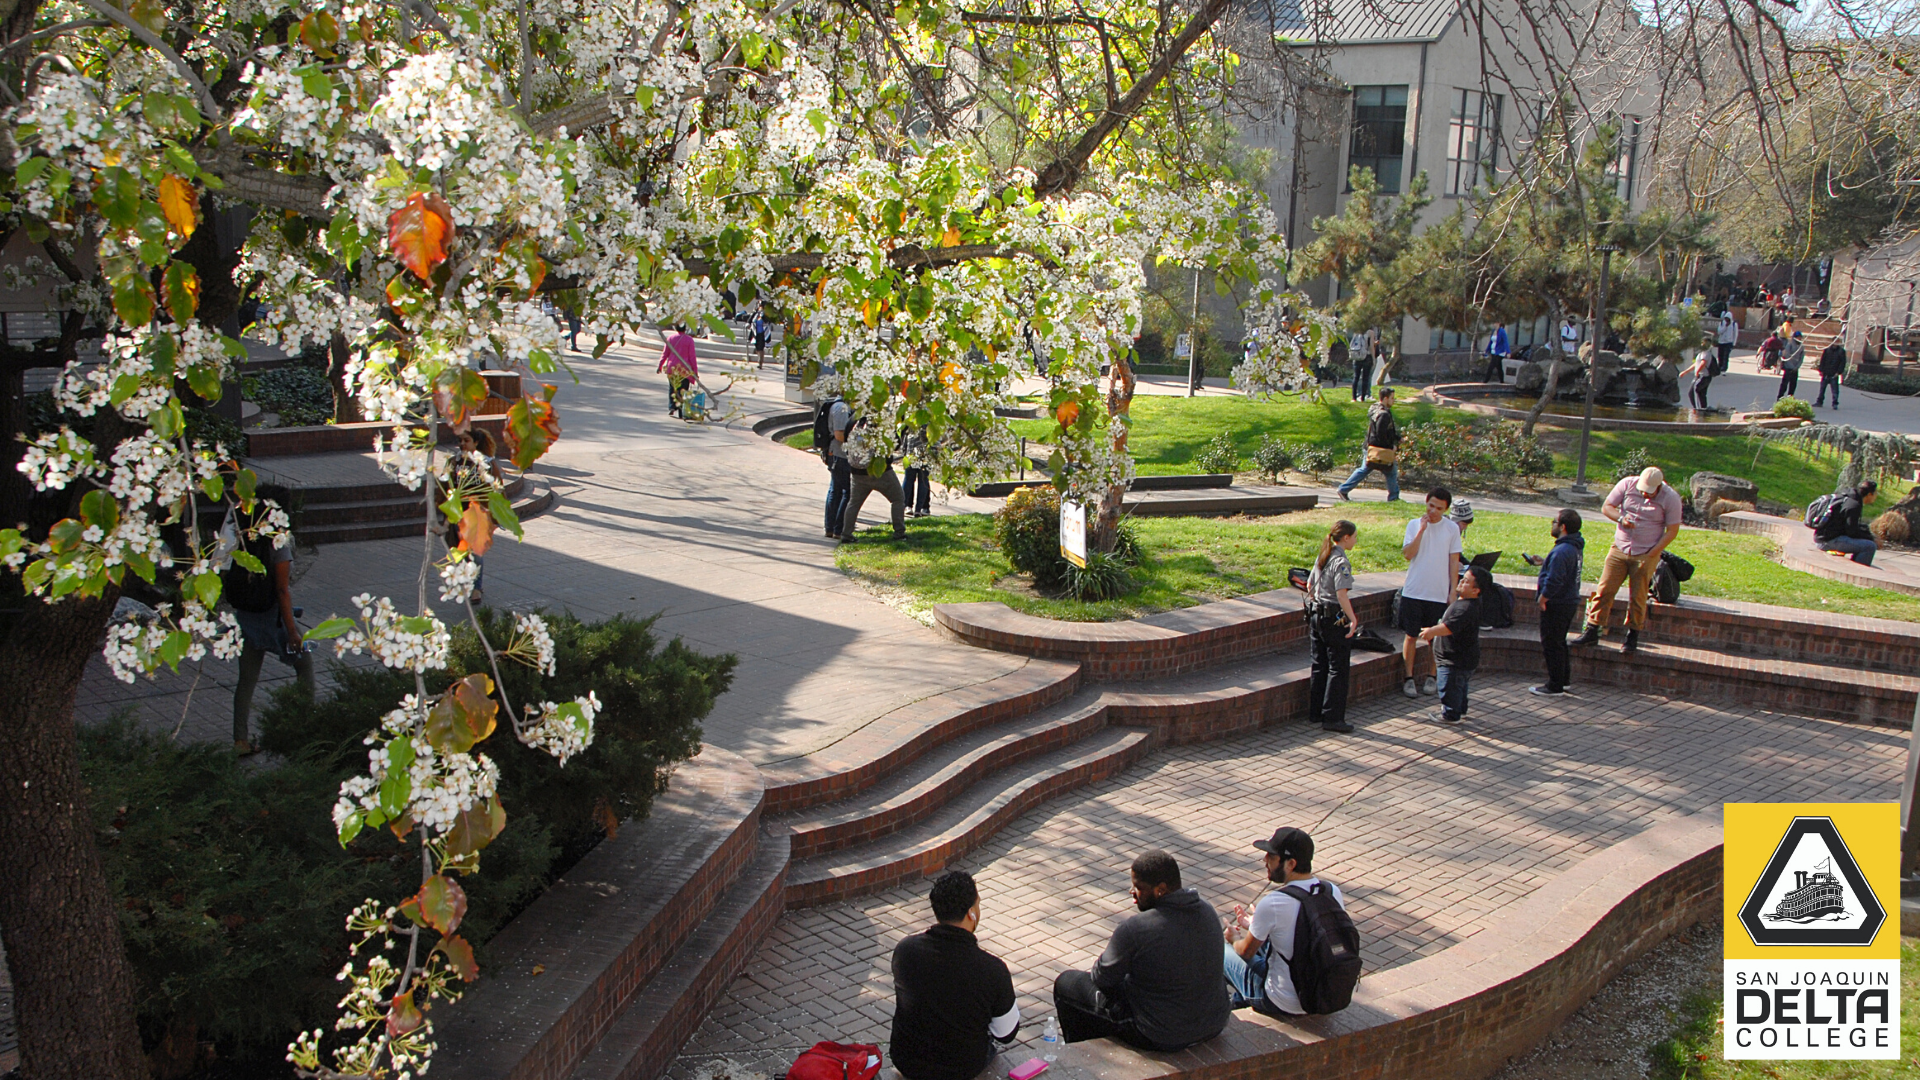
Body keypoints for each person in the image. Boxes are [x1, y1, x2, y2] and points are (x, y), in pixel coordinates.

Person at [1052, 851, 1229, 1052]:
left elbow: (1102, 978)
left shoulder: (1136, 928)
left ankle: (1083, 1056)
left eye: (1138, 888)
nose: (1132, 893)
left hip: (1160, 1034)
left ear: (1160, 890)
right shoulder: (1207, 909)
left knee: (1067, 984)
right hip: (1214, 1023)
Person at [890, 871, 1020, 1080]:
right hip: (961, 1068)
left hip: (908, 1061)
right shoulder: (992, 969)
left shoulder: (905, 950)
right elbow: (1006, 1033)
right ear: (971, 913)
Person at [1223, 827, 1348, 1017]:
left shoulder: (1274, 902)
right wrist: (1256, 924)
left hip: (1281, 1001)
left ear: (1290, 864)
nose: (1265, 860)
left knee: (1220, 951)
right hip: (1319, 992)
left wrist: (1233, 938)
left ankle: (1221, 1010)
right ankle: (1240, 1001)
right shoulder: (1331, 891)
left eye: (1271, 856)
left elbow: (1246, 951)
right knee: (1266, 946)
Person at [224, 514, 315, 756]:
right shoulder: (278, 544)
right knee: (305, 665)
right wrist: (292, 631)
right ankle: (305, 728)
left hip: (246, 618)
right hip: (273, 619)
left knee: (246, 680)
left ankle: (240, 741)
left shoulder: (244, 539)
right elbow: (282, 591)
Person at [1573, 466, 1683, 654]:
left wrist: (1654, 552)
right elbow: (1607, 507)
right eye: (1642, 490)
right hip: (1620, 547)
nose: (1644, 494)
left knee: (1638, 596)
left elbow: (1672, 531)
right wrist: (1621, 519)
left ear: (1659, 486)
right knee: (1604, 590)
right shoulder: (1627, 484)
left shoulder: (1671, 498)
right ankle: (1593, 630)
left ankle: (1632, 636)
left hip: (1646, 553)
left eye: (1649, 492)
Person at [1398, 487, 1463, 698]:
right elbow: (1408, 554)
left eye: (1439, 508)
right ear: (1426, 503)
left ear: (1446, 510)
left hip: (1438, 593)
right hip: (1414, 591)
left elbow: (1454, 561)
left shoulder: (1451, 529)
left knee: (1435, 637)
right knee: (1411, 635)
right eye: (1431, 506)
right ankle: (1408, 678)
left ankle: (1431, 676)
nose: (1433, 511)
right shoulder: (1414, 524)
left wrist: (1453, 591)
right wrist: (1421, 531)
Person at [1305, 520, 1360, 733]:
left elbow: (1310, 584)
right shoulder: (1341, 562)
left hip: (1316, 614)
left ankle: (1315, 711)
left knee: (1319, 663)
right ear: (1346, 538)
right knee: (1338, 667)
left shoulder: (1323, 556)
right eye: (1354, 537)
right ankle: (1333, 717)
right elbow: (1341, 594)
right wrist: (1352, 618)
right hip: (1333, 616)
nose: (1355, 540)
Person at [1418, 565, 1487, 724]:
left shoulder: (1466, 608)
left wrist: (1431, 631)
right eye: (1463, 578)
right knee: (1460, 687)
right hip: (1462, 659)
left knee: (1449, 687)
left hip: (1455, 660)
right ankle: (1460, 710)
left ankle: (1450, 715)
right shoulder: (1467, 603)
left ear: (1476, 590)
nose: (1461, 581)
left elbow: (1449, 627)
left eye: (1466, 581)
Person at [1529, 509, 1585, 697]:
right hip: (1568, 601)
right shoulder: (1573, 547)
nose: (1552, 524)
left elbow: (1555, 580)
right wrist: (1545, 562)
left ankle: (1554, 685)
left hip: (1557, 603)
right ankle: (1563, 680)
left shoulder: (1562, 551)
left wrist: (1543, 598)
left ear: (1563, 527)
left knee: (1551, 644)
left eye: (1554, 522)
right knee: (1559, 642)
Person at [448, 429, 503, 604]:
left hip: (478, 514)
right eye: (460, 441)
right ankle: (467, 583)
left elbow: (498, 488)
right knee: (461, 551)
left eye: (466, 440)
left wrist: (497, 515)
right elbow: (446, 485)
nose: (462, 444)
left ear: (476, 443)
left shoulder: (487, 463)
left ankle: (476, 588)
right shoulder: (455, 461)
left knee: (476, 552)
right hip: (459, 513)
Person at [839, 415, 907, 543]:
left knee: (854, 504)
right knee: (898, 498)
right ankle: (899, 533)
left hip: (858, 472)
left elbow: (846, 441)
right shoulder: (882, 420)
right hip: (881, 471)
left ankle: (846, 534)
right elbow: (895, 444)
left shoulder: (853, 420)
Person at [1336, 386, 1401, 502]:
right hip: (1378, 449)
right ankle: (1393, 498)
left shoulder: (1376, 409)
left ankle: (1344, 489)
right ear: (1385, 399)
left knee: (1367, 470)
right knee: (1389, 471)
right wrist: (1391, 446)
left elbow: (1386, 431)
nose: (1394, 401)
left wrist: (1398, 438)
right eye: (1392, 398)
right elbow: (1381, 433)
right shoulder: (1384, 414)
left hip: (1371, 447)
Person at [1815, 481, 1879, 566]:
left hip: (1823, 538)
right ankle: (1858, 570)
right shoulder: (1854, 505)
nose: (1876, 496)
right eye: (1876, 493)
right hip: (1827, 542)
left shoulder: (1850, 498)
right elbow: (1852, 532)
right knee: (1870, 546)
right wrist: (1871, 539)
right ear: (1870, 494)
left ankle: (1856, 564)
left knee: (1865, 542)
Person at [824, 391, 852, 540]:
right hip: (840, 455)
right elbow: (839, 435)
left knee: (835, 490)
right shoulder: (841, 408)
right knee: (846, 492)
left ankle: (831, 528)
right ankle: (838, 529)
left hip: (837, 455)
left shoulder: (840, 406)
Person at [657, 325, 698, 417]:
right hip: (685, 369)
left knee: (673, 388)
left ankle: (672, 407)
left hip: (672, 368)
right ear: (685, 329)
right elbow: (692, 357)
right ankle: (681, 410)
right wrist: (695, 372)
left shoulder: (670, 338)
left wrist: (660, 365)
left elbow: (665, 353)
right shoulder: (689, 340)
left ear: (675, 328)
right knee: (683, 390)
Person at [902, 426, 932, 518]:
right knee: (923, 480)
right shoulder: (931, 420)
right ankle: (919, 509)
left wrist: (905, 450)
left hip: (911, 449)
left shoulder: (912, 419)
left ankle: (904, 506)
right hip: (925, 451)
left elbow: (905, 430)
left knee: (909, 479)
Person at [1813, 338, 1847, 408]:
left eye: (1837, 341)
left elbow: (1842, 363)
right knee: (1822, 389)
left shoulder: (1841, 351)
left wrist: (1839, 372)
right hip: (1826, 372)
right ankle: (1819, 402)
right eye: (1834, 341)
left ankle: (1835, 403)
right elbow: (1823, 360)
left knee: (1835, 390)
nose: (1835, 343)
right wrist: (1821, 370)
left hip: (1834, 373)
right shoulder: (1827, 350)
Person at [1680, 345, 1715, 411]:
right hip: (1704, 376)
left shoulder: (1705, 353)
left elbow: (1703, 363)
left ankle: (1697, 409)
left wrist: (1698, 371)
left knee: (1694, 391)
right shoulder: (1701, 353)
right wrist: (1685, 372)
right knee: (1701, 393)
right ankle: (1703, 409)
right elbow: (1696, 364)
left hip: (1702, 376)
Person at [1349, 328, 1377, 402]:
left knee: (1356, 377)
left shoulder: (1356, 331)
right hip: (1367, 356)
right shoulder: (1370, 332)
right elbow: (1371, 347)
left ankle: (1354, 397)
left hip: (1357, 356)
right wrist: (1373, 359)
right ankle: (1363, 397)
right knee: (1365, 378)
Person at [1776, 331, 1805, 400]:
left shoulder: (1801, 346)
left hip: (1795, 368)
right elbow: (1787, 355)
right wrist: (1791, 366)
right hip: (1788, 367)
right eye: (1798, 337)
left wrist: (1797, 366)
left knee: (1793, 384)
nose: (1799, 338)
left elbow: (1801, 357)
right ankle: (1780, 397)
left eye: (1800, 337)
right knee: (1784, 383)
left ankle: (1790, 397)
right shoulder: (1790, 344)